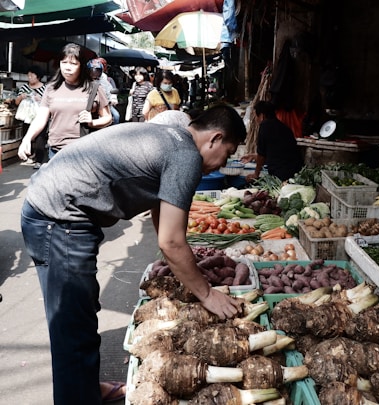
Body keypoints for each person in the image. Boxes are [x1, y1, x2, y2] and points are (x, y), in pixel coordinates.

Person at [20, 104, 247, 404]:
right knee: (73, 328)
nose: (221, 165)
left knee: (79, 316)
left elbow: (161, 214)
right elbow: (171, 242)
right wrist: (206, 294)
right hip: (58, 217)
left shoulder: (171, 136)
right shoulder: (186, 156)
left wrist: (179, 263)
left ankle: (84, 389)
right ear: (215, 139)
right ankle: (78, 396)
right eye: (228, 154)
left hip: (53, 208)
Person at [17, 43, 112, 162]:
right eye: (64, 62)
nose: (67, 67)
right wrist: (27, 138)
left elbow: (108, 118)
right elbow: (41, 118)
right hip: (56, 151)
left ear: (81, 66)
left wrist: (92, 122)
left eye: (73, 63)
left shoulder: (94, 88)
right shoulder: (51, 88)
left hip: (85, 151)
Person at [242, 100, 304, 182]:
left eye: (256, 116)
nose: (256, 120)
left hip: (281, 174)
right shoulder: (284, 127)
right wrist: (253, 156)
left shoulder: (264, 126)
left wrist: (256, 174)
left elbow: (262, 155)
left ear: (262, 116)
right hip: (295, 171)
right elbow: (277, 153)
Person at [14, 65, 47, 169]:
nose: (29, 77)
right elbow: (16, 102)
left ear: (38, 77)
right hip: (26, 117)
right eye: (28, 75)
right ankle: (28, 156)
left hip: (40, 116)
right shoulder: (24, 87)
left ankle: (39, 160)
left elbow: (48, 103)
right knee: (26, 135)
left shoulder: (45, 88)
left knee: (40, 138)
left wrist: (40, 99)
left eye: (32, 75)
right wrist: (21, 97)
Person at [87, 58, 119, 126]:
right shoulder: (84, 82)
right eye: (92, 70)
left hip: (104, 105)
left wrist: (112, 99)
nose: (94, 72)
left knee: (116, 116)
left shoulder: (104, 81)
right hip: (88, 107)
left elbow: (110, 91)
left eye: (97, 70)